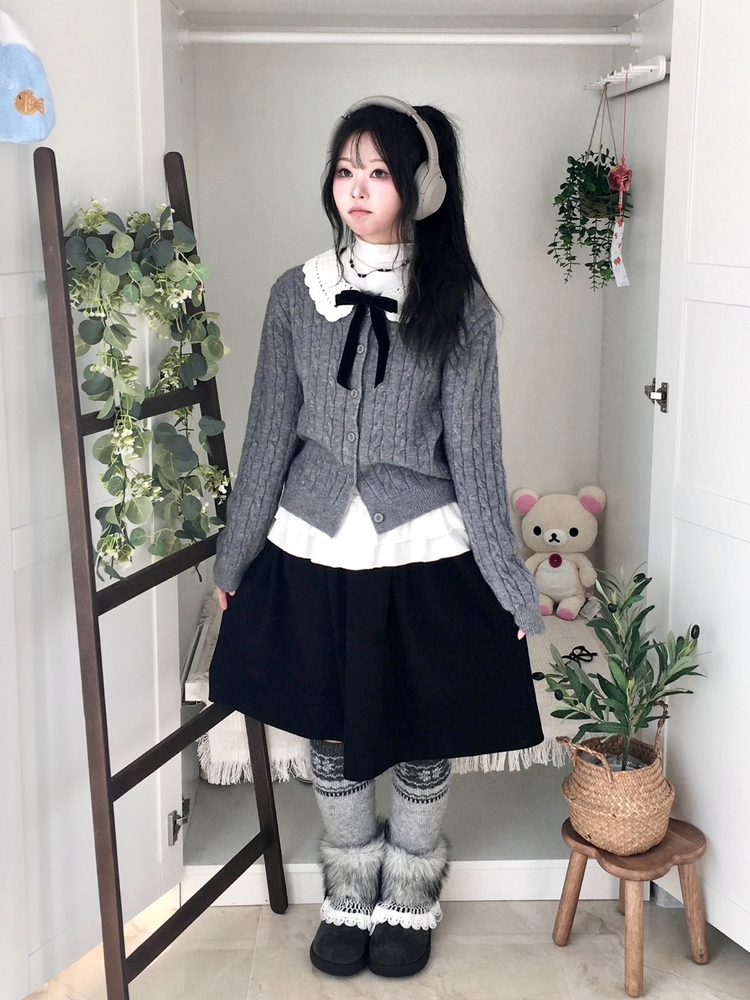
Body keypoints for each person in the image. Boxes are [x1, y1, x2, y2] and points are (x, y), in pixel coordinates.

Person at [209, 96, 545, 979]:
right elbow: (266, 435)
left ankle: (411, 891)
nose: (356, 189)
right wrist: (234, 556)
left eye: (379, 172)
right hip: (311, 544)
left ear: (420, 188)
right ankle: (350, 886)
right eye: (345, 170)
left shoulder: (460, 307)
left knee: (420, 726)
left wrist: (512, 587)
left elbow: (477, 457)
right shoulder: (296, 295)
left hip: (422, 550)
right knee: (330, 725)